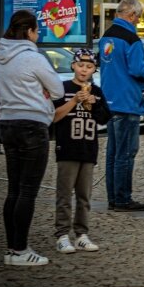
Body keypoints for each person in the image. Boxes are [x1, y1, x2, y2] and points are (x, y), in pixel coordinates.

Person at [0, 9, 64, 266]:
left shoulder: (0, 56)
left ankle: (12, 248)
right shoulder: (33, 58)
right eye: (37, 30)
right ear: (29, 31)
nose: (38, 35)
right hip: (33, 125)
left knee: (13, 189)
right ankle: (22, 249)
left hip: (8, 124)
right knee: (27, 191)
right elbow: (57, 89)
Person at [99, 0, 144, 211]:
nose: (138, 21)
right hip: (127, 101)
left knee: (113, 153)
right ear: (132, 15)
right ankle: (122, 199)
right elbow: (138, 69)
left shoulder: (106, 37)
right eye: (138, 17)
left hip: (109, 101)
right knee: (126, 153)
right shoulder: (131, 39)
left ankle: (113, 197)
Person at [52, 49, 111, 254]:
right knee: (64, 194)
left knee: (84, 195)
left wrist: (93, 104)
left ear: (94, 69)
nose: (84, 70)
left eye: (89, 67)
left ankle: (81, 234)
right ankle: (61, 234)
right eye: (80, 65)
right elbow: (54, 116)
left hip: (88, 148)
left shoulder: (97, 91)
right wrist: (75, 101)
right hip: (67, 147)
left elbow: (104, 118)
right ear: (73, 66)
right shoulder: (62, 88)